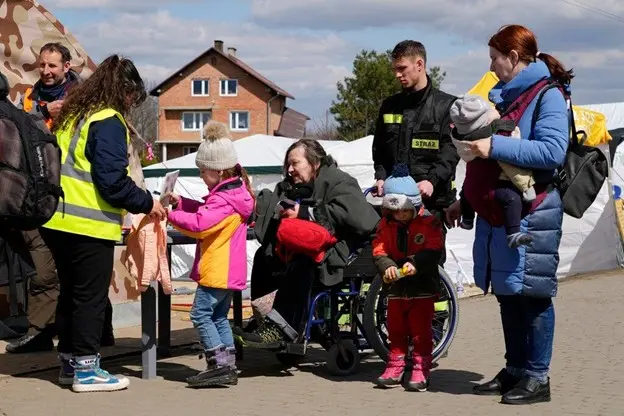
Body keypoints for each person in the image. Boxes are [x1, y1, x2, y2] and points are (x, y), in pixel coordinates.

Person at [445, 24, 572, 405]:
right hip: (500, 215)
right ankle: (516, 368)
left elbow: (552, 152)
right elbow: (488, 168)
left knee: (532, 296)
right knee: (508, 294)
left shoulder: (547, 96)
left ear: (514, 57)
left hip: (534, 212)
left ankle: (538, 377)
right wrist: (466, 202)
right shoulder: (505, 96)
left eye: (495, 59)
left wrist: (493, 145)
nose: (493, 66)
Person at [39, 54, 168, 393]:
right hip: (88, 225)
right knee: (91, 299)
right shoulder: (108, 120)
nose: (131, 104)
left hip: (56, 221)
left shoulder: (73, 116)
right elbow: (112, 182)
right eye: (131, 97)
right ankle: (87, 370)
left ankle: (68, 363)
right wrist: (148, 202)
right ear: (124, 91)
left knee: (70, 293)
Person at [7, 42, 115, 354]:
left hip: (72, 197)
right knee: (58, 272)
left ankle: (66, 334)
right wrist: (42, 112)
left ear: (67, 67)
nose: (46, 71)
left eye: (52, 66)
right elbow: (16, 128)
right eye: (42, 65)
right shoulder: (30, 96)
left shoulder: (83, 96)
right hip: (37, 193)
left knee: (71, 274)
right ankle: (56, 332)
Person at [236, 139, 380, 348]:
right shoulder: (291, 186)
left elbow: (357, 218)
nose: (290, 169)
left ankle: (279, 328)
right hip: (300, 248)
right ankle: (265, 319)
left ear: (314, 162)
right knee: (264, 256)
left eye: (295, 163)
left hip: (341, 251)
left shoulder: (339, 181)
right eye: (288, 165)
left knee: (303, 262)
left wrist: (305, 213)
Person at [167, 121, 254, 388]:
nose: (202, 177)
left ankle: (217, 365)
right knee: (218, 317)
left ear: (217, 170)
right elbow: (206, 210)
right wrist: (181, 203)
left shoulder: (223, 200)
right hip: (229, 271)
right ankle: (228, 366)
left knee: (200, 315)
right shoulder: (234, 194)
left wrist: (169, 214)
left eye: (203, 171)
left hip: (217, 270)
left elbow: (200, 224)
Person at [372, 40, 459, 266]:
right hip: (395, 205)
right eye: (395, 70)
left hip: (431, 203)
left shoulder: (446, 106)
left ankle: (438, 302)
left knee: (427, 266)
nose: (397, 75)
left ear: (419, 64)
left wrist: (432, 181)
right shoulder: (389, 106)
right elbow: (379, 149)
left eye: (402, 68)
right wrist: (380, 176)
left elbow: (450, 153)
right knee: (392, 265)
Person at [372, 164, 444, 392]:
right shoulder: (386, 225)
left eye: (405, 210)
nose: (400, 215)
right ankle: (395, 365)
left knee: (421, 331)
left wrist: (415, 262)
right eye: (396, 211)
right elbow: (379, 249)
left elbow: (434, 249)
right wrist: (387, 266)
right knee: (395, 329)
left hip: (422, 287)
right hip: (395, 288)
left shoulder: (429, 222)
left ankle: (421, 368)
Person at [449, 94, 536, 248]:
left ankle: (468, 220)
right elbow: (513, 168)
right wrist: (526, 186)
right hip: (494, 189)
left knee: (467, 193)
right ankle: (513, 233)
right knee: (512, 199)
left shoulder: (460, 140)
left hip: (472, 187)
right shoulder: (492, 138)